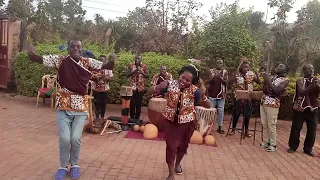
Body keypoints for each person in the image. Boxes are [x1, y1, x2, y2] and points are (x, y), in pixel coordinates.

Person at [26, 40, 108, 180]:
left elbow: (104, 66)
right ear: (68, 49)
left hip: (80, 108)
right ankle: (63, 166)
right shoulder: (61, 60)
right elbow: (42, 59)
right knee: (64, 138)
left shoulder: (87, 62)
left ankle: (75, 164)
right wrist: (33, 55)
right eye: (73, 46)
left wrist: (111, 62)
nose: (76, 49)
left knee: (75, 138)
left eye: (78, 47)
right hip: (63, 106)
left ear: (82, 49)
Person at [148, 64, 211, 180]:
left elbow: (208, 105)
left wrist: (203, 96)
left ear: (192, 81)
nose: (184, 81)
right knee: (171, 147)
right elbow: (149, 92)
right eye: (182, 77)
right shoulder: (169, 85)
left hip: (187, 124)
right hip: (170, 123)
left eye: (188, 80)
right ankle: (171, 173)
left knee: (182, 147)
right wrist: (157, 87)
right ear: (179, 74)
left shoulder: (195, 91)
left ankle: (177, 164)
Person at [288, 64, 320, 157]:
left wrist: (317, 85)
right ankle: (293, 146)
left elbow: (317, 93)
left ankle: (308, 148)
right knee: (296, 128)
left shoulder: (316, 80)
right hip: (300, 108)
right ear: (304, 71)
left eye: (312, 68)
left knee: (312, 129)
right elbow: (302, 92)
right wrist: (311, 85)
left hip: (312, 108)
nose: (312, 70)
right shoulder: (299, 80)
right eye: (309, 69)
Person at [259, 64, 289, 152]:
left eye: (280, 67)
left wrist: (268, 81)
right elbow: (265, 90)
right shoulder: (273, 77)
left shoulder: (285, 80)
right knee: (264, 123)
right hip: (264, 101)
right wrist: (268, 83)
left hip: (273, 103)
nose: (277, 67)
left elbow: (277, 90)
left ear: (285, 72)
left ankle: (273, 144)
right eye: (278, 66)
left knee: (271, 124)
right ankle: (267, 141)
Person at [229, 59, 260, 137]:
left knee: (247, 115)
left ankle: (246, 132)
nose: (246, 69)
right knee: (236, 114)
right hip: (239, 97)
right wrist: (234, 75)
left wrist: (257, 74)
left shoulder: (251, 74)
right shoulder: (237, 74)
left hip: (248, 97)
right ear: (241, 68)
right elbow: (229, 83)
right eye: (245, 67)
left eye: (247, 68)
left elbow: (258, 82)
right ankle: (233, 130)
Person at [91, 54, 116, 119]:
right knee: (97, 104)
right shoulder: (94, 69)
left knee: (103, 105)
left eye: (102, 60)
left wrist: (106, 78)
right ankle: (97, 118)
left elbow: (111, 78)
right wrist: (96, 78)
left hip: (105, 90)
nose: (100, 61)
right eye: (99, 60)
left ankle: (102, 118)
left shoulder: (109, 69)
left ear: (105, 61)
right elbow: (90, 77)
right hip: (96, 90)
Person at [207, 58, 228, 134]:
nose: (219, 64)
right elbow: (209, 81)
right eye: (218, 63)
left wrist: (219, 78)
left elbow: (226, 82)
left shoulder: (225, 72)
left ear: (222, 64)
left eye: (221, 63)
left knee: (221, 112)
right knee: (211, 111)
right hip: (212, 94)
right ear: (215, 64)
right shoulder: (211, 71)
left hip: (221, 94)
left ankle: (220, 127)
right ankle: (209, 127)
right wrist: (213, 78)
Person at [127, 54, 149, 119]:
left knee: (138, 104)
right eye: (136, 58)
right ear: (134, 59)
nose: (137, 60)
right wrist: (134, 71)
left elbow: (147, 75)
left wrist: (141, 72)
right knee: (132, 104)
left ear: (141, 59)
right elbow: (127, 75)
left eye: (139, 59)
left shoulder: (144, 66)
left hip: (140, 88)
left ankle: (137, 118)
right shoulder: (131, 65)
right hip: (132, 88)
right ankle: (132, 118)